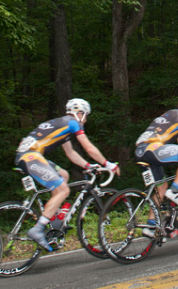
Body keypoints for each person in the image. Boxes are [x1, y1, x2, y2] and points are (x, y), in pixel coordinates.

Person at [15, 98, 119, 250]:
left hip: (29, 156)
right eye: (86, 115)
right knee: (64, 190)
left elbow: (71, 154)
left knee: (64, 175)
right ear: (80, 113)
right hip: (31, 157)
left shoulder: (61, 124)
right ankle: (38, 228)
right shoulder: (72, 123)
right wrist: (108, 164)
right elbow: (89, 148)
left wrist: (89, 165)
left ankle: (55, 219)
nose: (86, 120)